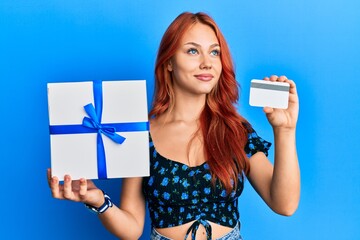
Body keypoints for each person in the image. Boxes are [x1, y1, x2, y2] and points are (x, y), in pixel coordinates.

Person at [47, 12, 300, 240]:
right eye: (192, 51)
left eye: (214, 52)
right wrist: (98, 201)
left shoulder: (236, 130)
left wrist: (285, 131)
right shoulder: (139, 134)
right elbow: (132, 228)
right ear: (168, 62)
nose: (207, 62)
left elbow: (284, 204)